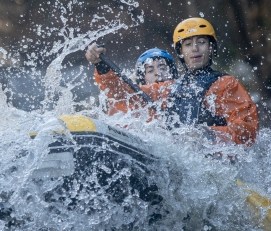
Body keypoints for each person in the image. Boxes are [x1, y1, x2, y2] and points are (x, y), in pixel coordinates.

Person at [86, 18, 259, 146]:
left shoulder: (226, 84)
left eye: (201, 42)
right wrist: (101, 67)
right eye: (188, 44)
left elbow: (247, 130)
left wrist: (206, 135)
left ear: (211, 47)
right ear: (181, 52)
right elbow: (124, 97)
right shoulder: (169, 88)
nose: (195, 49)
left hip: (218, 163)